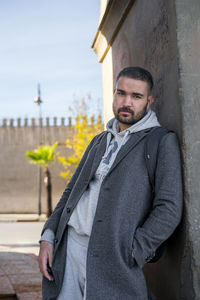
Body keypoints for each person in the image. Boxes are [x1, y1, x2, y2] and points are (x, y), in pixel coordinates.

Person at [39, 66, 183, 300]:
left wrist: (134, 250)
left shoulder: (160, 142)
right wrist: (48, 237)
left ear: (149, 100)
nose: (127, 102)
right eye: (121, 93)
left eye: (136, 96)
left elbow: (169, 207)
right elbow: (71, 192)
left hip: (113, 259)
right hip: (69, 251)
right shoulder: (99, 140)